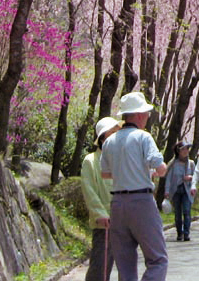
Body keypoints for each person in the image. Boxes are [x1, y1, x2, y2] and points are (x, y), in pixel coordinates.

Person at [99, 91, 168, 281]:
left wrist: (125, 171)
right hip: (141, 201)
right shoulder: (143, 137)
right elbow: (160, 167)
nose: (147, 117)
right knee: (158, 259)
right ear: (138, 115)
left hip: (118, 204)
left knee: (125, 263)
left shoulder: (109, 142)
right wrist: (152, 171)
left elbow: (104, 173)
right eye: (146, 113)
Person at [81, 117, 120, 281]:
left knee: (125, 266)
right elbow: (89, 190)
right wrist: (100, 213)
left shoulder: (121, 159)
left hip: (123, 218)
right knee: (100, 266)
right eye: (112, 134)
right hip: (103, 222)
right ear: (103, 137)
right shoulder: (91, 161)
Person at [164, 141, 195, 242]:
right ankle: (179, 233)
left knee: (186, 211)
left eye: (187, 149)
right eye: (183, 149)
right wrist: (167, 191)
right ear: (179, 151)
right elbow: (168, 178)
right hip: (176, 190)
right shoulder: (173, 164)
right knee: (178, 213)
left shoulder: (191, 163)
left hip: (187, 190)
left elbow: (196, 176)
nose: (186, 151)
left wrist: (191, 178)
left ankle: (186, 233)